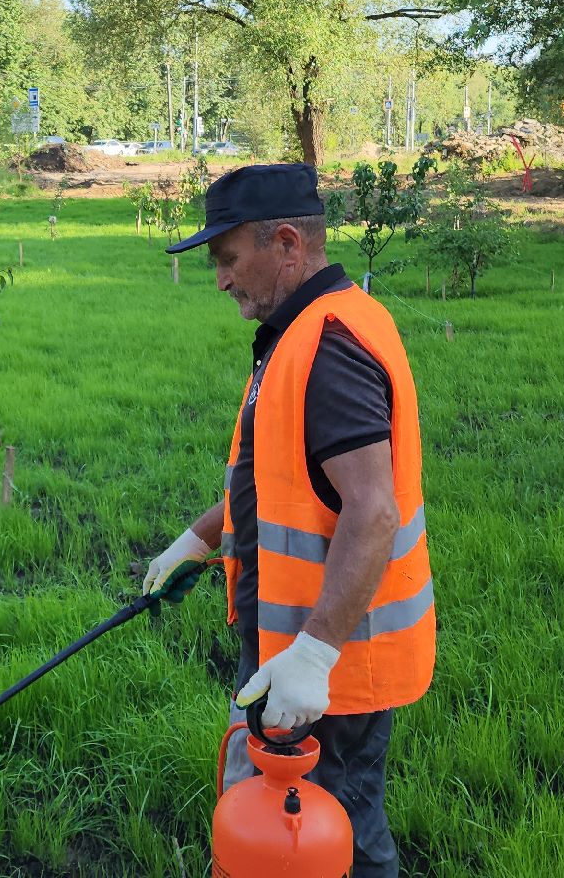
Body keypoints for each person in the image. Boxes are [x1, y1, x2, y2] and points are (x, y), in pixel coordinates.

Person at [143, 163, 434, 878]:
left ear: (284, 243)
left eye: (227, 258)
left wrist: (315, 654)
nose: (219, 279)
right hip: (292, 644)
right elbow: (283, 481)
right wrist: (202, 536)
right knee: (295, 834)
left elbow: (372, 511)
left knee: (338, 835)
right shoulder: (302, 328)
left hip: (330, 663)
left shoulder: (328, 344)